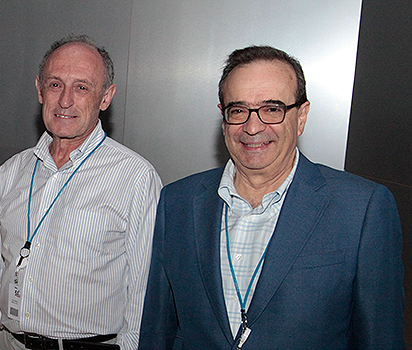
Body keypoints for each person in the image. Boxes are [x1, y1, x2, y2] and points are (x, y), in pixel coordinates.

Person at [139, 46, 405, 349]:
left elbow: (380, 339)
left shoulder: (361, 209)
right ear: (223, 118)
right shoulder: (177, 203)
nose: (253, 127)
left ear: (301, 116)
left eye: (272, 109)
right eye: (238, 110)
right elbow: (158, 332)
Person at [0, 35, 162, 350]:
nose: (65, 101)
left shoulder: (135, 177)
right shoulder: (13, 170)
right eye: (55, 85)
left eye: (82, 87)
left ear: (106, 97)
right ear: (39, 90)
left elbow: (144, 287)